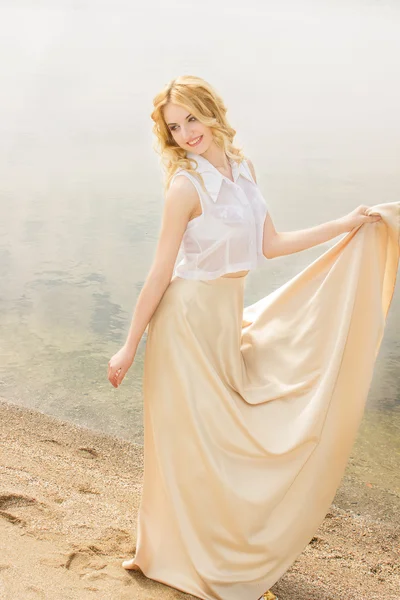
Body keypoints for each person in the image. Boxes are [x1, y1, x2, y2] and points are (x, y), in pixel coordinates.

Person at [107, 75, 392, 600]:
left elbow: (272, 244)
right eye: (175, 126)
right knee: (189, 448)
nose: (186, 132)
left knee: (228, 442)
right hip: (185, 324)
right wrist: (130, 344)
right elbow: (159, 273)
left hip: (223, 319)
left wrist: (346, 225)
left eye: (191, 117)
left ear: (211, 111)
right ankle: (164, 552)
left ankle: (208, 549)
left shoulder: (243, 170)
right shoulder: (185, 187)